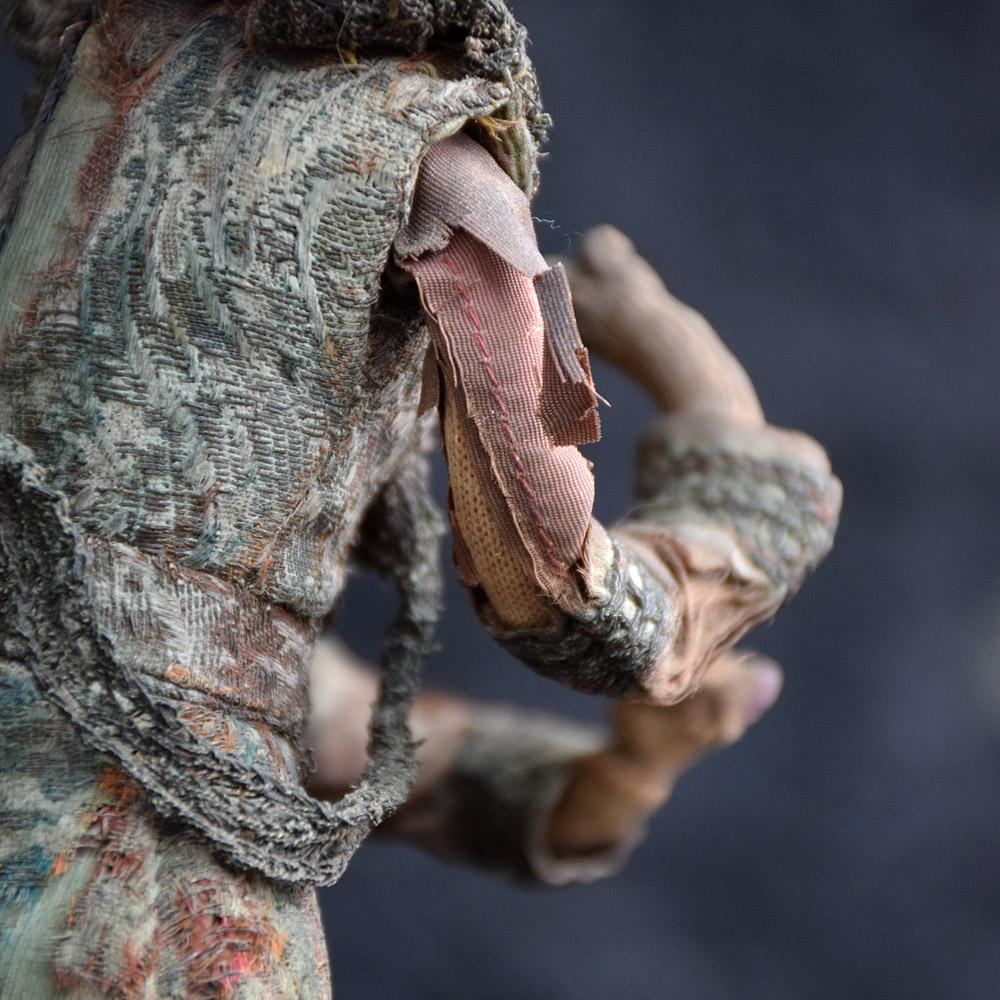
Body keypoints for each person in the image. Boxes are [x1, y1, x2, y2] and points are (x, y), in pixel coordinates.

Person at [0, 1, 840, 995]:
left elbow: (141, 638)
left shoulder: (95, 100)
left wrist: (610, 778)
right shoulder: (420, 151)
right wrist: (713, 407)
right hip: (130, 913)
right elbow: (578, 605)